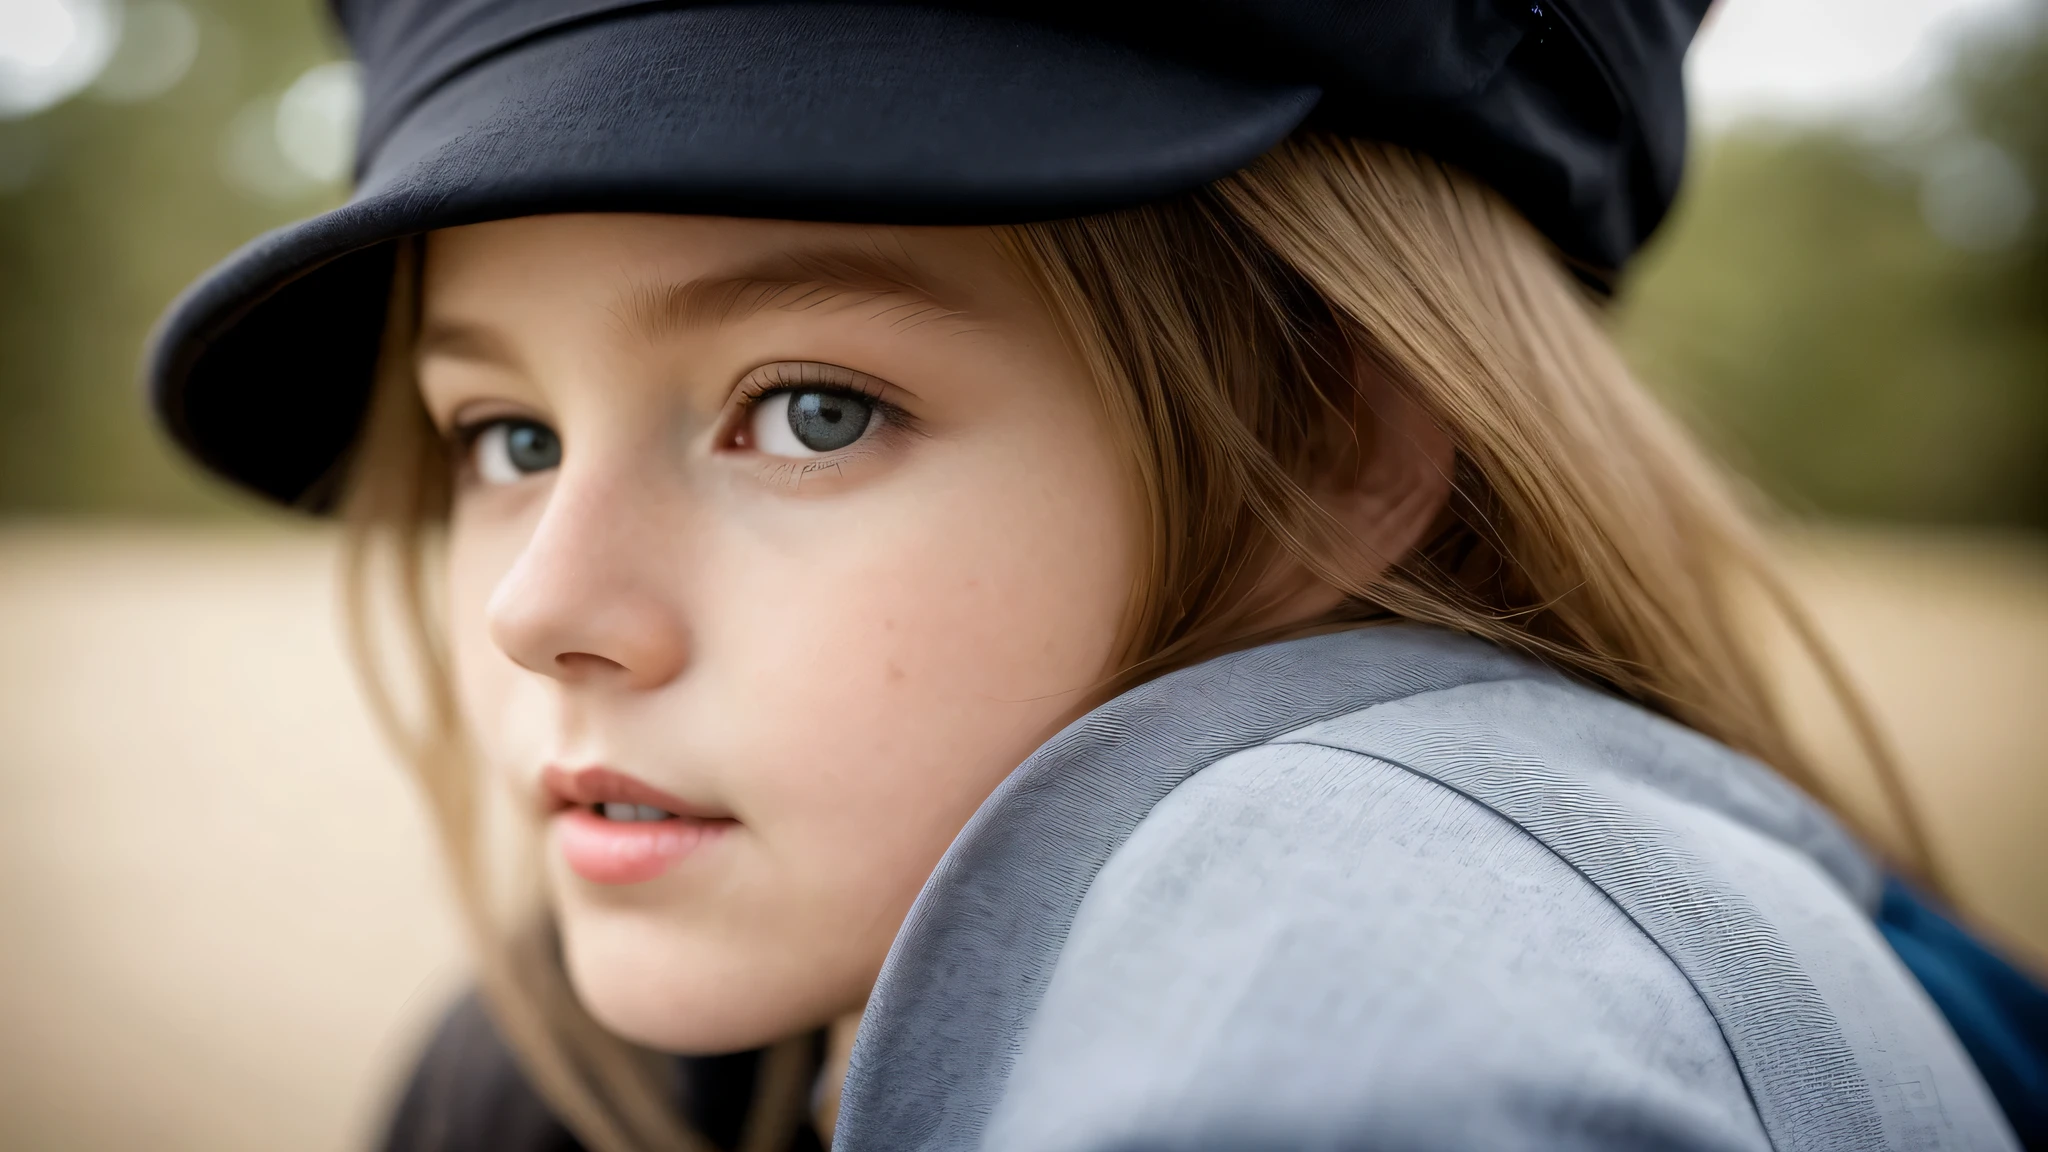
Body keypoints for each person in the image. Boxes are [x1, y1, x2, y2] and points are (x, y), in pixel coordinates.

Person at [146, 2, 2044, 1150]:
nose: (539, 607)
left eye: (806, 409)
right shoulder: (569, 1094)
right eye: (508, 438)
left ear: (1332, 448)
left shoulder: (1413, 996)